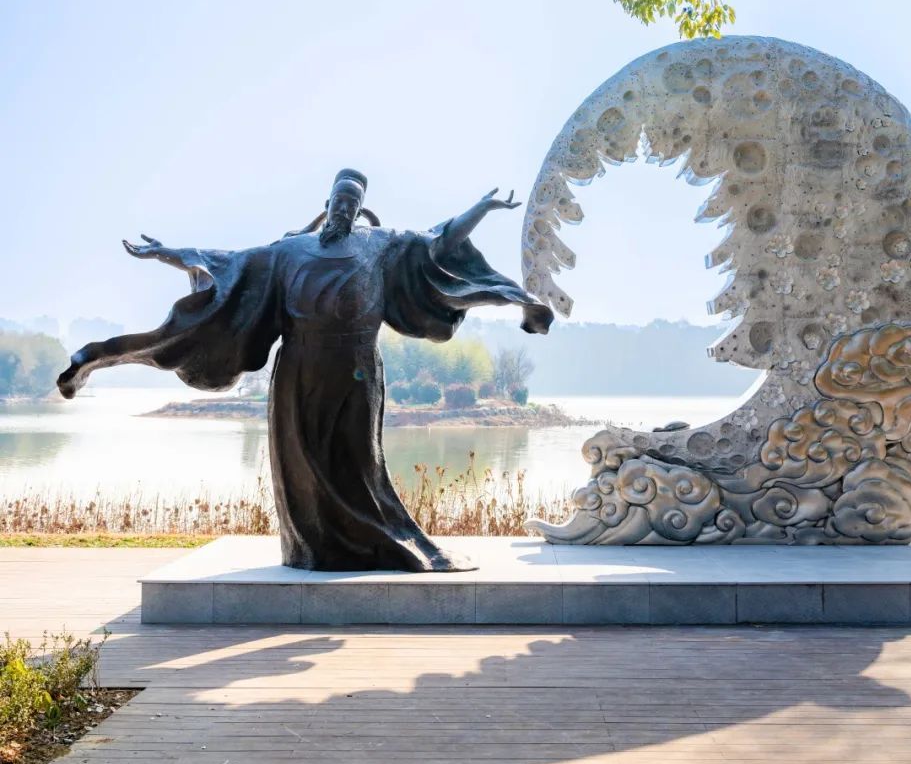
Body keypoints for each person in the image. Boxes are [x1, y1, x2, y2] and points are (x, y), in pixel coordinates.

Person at [58, 169, 552, 571]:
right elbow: (226, 265)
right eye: (338, 201)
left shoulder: (379, 244)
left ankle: (372, 541)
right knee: (302, 462)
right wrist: (166, 253)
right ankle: (313, 547)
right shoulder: (290, 250)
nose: (344, 210)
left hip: (358, 369)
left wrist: (480, 210)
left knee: (359, 461)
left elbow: (437, 243)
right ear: (328, 204)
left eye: (352, 203)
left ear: (359, 209)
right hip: (300, 369)